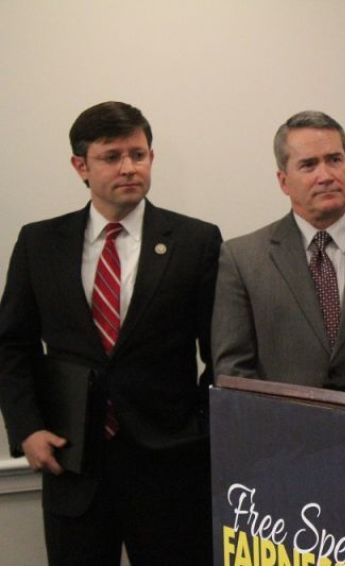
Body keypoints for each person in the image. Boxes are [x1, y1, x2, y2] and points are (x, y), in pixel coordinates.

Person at [0, 101, 221, 564]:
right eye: (112, 156)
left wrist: (200, 426)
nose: (129, 167)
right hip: (73, 463)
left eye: (138, 155)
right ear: (80, 165)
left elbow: (220, 352)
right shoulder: (39, 243)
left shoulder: (197, 242)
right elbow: (12, 346)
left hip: (171, 466)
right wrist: (28, 428)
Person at [212, 111, 345, 394]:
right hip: (282, 431)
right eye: (309, 165)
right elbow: (233, 372)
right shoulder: (242, 259)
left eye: (335, 160)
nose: (326, 176)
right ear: (283, 181)